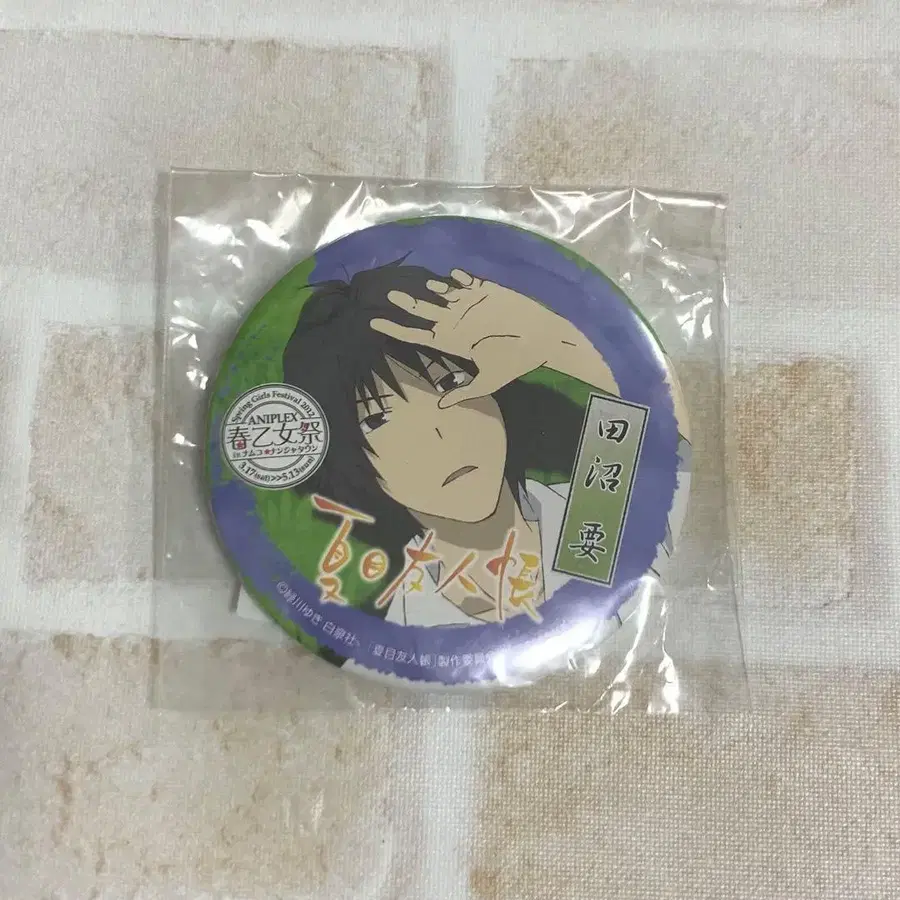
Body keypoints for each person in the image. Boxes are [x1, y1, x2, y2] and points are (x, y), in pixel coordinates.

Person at [282, 260, 689, 627]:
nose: (438, 435)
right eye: (378, 419)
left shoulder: (598, 506)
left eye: (450, 382)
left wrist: (562, 345)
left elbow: (674, 436)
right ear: (347, 454)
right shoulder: (401, 629)